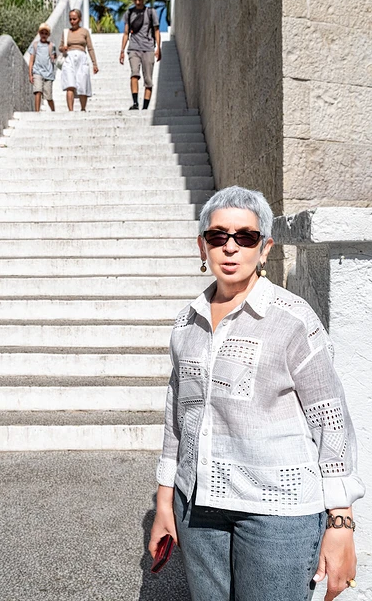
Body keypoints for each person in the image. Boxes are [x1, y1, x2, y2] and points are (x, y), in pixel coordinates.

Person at [149, 185, 364, 601]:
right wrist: (164, 500)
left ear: (264, 249)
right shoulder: (187, 323)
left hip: (278, 515)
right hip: (197, 508)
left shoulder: (293, 320)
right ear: (202, 246)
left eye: (245, 237)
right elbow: (178, 416)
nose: (230, 247)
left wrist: (341, 523)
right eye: (218, 236)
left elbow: (331, 421)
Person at [120, 0, 161, 110]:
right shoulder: (129, 13)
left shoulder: (151, 12)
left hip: (148, 48)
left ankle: (145, 108)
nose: (137, 2)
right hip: (134, 47)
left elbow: (156, 30)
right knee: (134, 74)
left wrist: (158, 48)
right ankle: (135, 103)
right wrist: (122, 50)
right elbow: (126, 33)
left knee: (148, 80)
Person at [59, 8, 98, 111]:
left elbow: (90, 48)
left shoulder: (84, 32)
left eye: (74, 19)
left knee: (82, 83)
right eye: (70, 19)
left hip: (82, 58)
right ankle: (71, 111)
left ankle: (83, 108)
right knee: (70, 85)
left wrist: (94, 63)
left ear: (79, 19)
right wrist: (63, 48)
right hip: (69, 58)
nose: (72, 21)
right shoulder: (66, 32)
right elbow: (60, 47)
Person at [28, 22, 56, 113]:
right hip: (37, 72)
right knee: (38, 91)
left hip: (48, 73)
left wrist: (53, 57)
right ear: (39, 33)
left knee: (48, 97)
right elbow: (31, 61)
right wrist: (30, 74)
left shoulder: (51, 46)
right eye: (42, 33)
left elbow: (54, 57)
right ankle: (37, 112)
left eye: (46, 33)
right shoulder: (35, 45)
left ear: (48, 35)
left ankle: (53, 110)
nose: (44, 35)